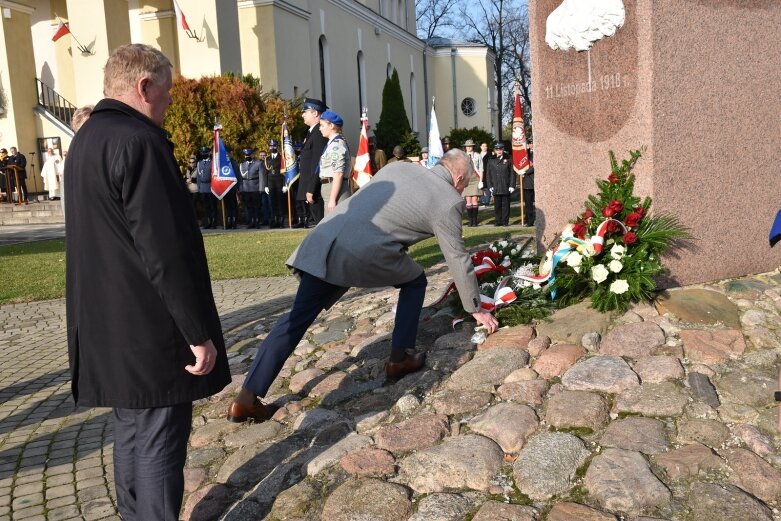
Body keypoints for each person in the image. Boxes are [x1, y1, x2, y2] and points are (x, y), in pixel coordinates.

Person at [64, 43, 230, 521]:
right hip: (150, 328)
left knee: (132, 435)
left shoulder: (88, 138)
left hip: (106, 324)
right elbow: (165, 251)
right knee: (157, 442)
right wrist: (195, 333)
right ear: (144, 86)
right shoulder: (139, 141)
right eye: (169, 92)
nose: (172, 101)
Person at [226, 149, 499, 422]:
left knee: (295, 320)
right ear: (459, 176)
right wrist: (476, 308)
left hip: (325, 240)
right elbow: (457, 257)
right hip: (359, 254)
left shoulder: (399, 168)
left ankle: (246, 399)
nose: (463, 190)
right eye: (465, 184)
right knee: (415, 281)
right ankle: (399, 356)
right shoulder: (447, 200)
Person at [299, 98, 329, 224]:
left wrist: (311, 189)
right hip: (311, 190)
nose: (302, 114)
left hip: (316, 192)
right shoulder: (312, 133)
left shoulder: (318, 133)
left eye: (305, 111)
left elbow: (317, 164)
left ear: (315, 113)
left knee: (321, 225)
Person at [318, 110, 351, 213]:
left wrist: (332, 199)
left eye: (322, 125)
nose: (320, 128)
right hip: (330, 187)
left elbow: (338, 174)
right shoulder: (332, 144)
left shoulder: (336, 146)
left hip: (334, 189)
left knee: (335, 225)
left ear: (331, 125)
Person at [485, 143, 515, 226]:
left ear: (503, 150)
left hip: (505, 185)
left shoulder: (509, 159)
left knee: (506, 205)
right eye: (497, 150)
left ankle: (505, 221)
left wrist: (512, 185)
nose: (499, 151)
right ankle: (498, 221)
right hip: (496, 186)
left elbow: (512, 173)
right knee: (497, 205)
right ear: (495, 150)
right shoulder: (491, 159)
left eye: (500, 149)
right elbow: (488, 174)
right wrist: (490, 185)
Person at [239, 148, 263, 228]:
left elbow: (261, 177)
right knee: (249, 207)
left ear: (252, 155)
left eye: (249, 155)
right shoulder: (242, 165)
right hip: (246, 188)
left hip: (255, 188)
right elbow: (240, 178)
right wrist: (241, 189)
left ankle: (257, 222)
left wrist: (261, 188)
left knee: (256, 206)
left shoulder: (258, 163)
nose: (247, 156)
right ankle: (251, 222)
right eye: (246, 155)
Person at [264, 140, 286, 228]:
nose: (272, 148)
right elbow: (265, 173)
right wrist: (266, 185)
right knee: (272, 203)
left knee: (280, 202)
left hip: (280, 182)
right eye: (271, 146)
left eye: (274, 146)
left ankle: (281, 221)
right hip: (271, 183)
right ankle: (274, 220)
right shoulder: (267, 159)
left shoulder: (282, 158)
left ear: (277, 147)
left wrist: (285, 184)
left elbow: (285, 172)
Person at [463, 139, 483, 227]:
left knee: (474, 200)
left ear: (473, 147)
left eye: (470, 146)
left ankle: (475, 220)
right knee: (468, 201)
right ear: (465, 147)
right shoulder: (462, 156)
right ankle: (470, 220)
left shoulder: (478, 156)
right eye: (467, 146)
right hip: (467, 179)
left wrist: (481, 180)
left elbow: (481, 169)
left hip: (475, 178)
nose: (469, 148)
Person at [196, 146, 217, 228]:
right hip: (202, 187)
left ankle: (214, 223)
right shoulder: (199, 163)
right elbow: (198, 176)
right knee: (206, 207)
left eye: (205, 153)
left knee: (212, 206)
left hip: (210, 187)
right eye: (202, 153)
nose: (204, 154)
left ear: (208, 153)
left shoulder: (212, 163)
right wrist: (199, 187)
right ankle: (208, 222)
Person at [522, 147, 535, 226]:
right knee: (528, 203)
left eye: (532, 143)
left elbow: (535, 166)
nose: (531, 145)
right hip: (527, 183)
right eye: (529, 143)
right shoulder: (524, 155)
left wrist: (524, 171)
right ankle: (529, 220)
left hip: (535, 181)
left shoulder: (537, 153)